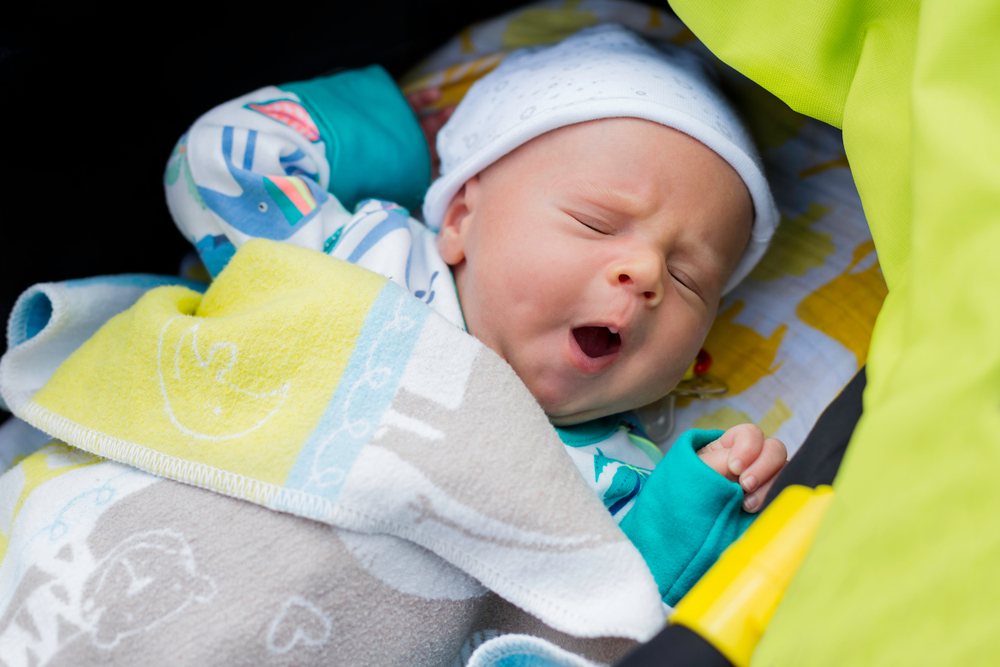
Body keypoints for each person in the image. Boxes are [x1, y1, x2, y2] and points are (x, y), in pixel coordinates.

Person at [164, 24, 785, 605]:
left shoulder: (618, 479)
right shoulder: (373, 262)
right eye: (596, 222)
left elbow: (617, 611)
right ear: (461, 219)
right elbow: (220, 160)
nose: (647, 273)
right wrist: (403, 144)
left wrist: (695, 499)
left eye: (688, 279)